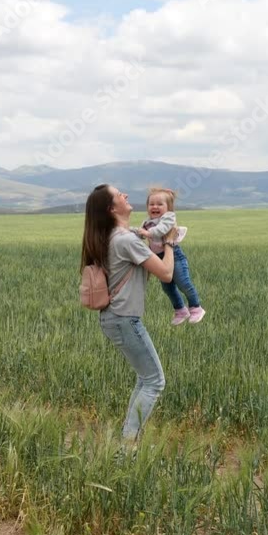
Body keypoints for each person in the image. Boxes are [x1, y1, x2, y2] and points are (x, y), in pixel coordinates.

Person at [82, 184, 176, 447]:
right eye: (119, 195)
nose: (125, 195)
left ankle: (127, 440)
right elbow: (166, 273)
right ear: (112, 209)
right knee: (155, 382)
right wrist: (170, 241)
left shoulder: (111, 237)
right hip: (124, 319)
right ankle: (127, 447)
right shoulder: (125, 240)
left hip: (114, 318)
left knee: (145, 379)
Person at [134, 188, 205, 325]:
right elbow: (140, 233)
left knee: (183, 283)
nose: (155, 207)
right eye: (151, 204)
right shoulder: (147, 222)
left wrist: (147, 233)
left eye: (159, 204)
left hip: (175, 256)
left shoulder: (169, 218)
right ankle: (180, 310)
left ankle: (196, 307)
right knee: (167, 288)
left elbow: (162, 230)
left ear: (168, 208)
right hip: (159, 258)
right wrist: (132, 232)